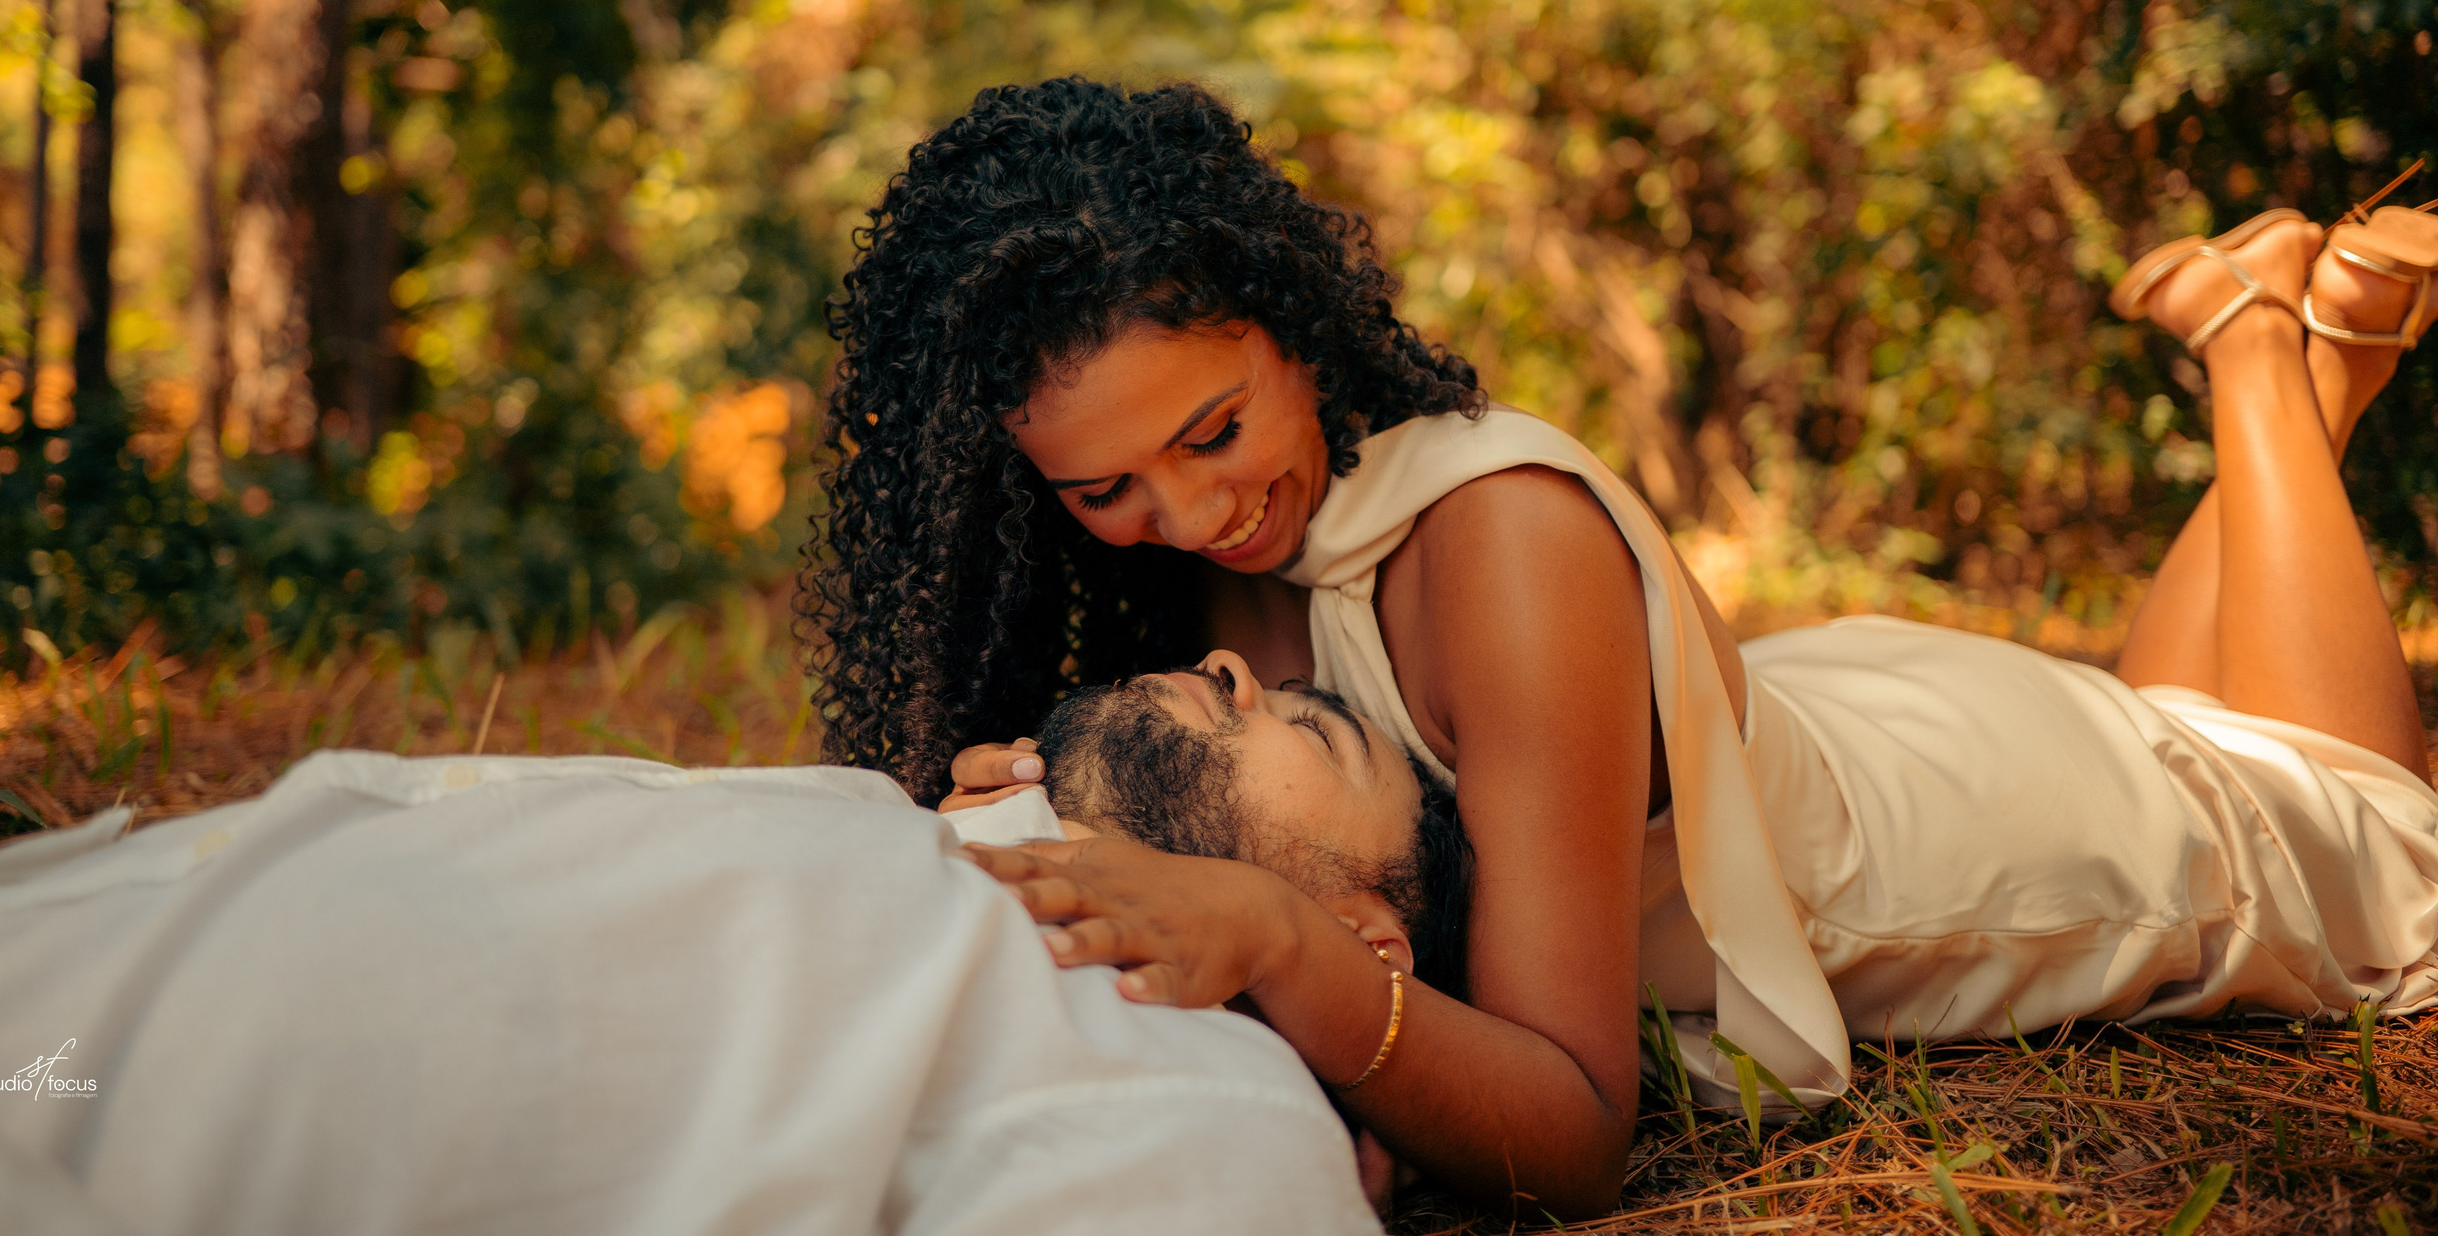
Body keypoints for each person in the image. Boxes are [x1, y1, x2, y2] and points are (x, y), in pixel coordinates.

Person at [808, 75, 2438, 1223]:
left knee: (2334, 814)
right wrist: (1056, 805)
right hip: (1837, 719)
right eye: (1104, 490)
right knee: (2177, 714)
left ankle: (2261, 356)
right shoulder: (1217, 569)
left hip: (1976, 836)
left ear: (1288, 325)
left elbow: (1578, 1129)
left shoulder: (1506, 550)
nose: (1191, 512)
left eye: (1215, 430)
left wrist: (1279, 942)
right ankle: (2317, 346)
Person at [0, 748, 1387, 1236]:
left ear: (1365, 935)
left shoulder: (1224, 1109)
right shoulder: (903, 823)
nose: (1231, 663)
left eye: (1316, 724)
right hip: (4, 967)